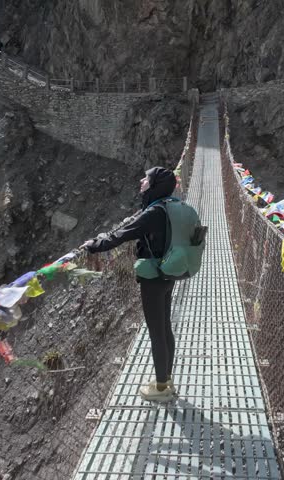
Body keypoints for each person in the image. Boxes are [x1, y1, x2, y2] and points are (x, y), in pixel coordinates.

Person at [82, 167, 178, 402]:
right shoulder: (172, 205)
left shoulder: (154, 211)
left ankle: (162, 387)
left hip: (153, 277)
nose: (141, 180)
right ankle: (166, 377)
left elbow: (121, 234)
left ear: (155, 185)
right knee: (164, 326)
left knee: (157, 331)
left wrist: (94, 245)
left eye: (147, 178)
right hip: (170, 272)